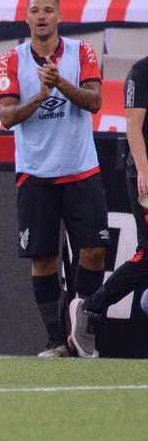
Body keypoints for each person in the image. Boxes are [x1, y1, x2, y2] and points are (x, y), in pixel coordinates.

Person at [0, 0, 109, 357]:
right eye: (34, 11)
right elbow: (7, 117)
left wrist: (60, 83)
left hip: (80, 169)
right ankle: (56, 339)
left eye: (48, 10)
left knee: (93, 253)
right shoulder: (11, 59)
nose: (41, 16)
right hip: (35, 173)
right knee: (43, 259)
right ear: (26, 19)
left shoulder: (82, 53)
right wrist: (41, 96)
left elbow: (94, 102)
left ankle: (81, 326)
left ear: (59, 16)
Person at [68, 55, 148, 357]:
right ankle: (91, 307)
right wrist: (143, 169)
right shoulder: (141, 72)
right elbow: (133, 126)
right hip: (144, 175)